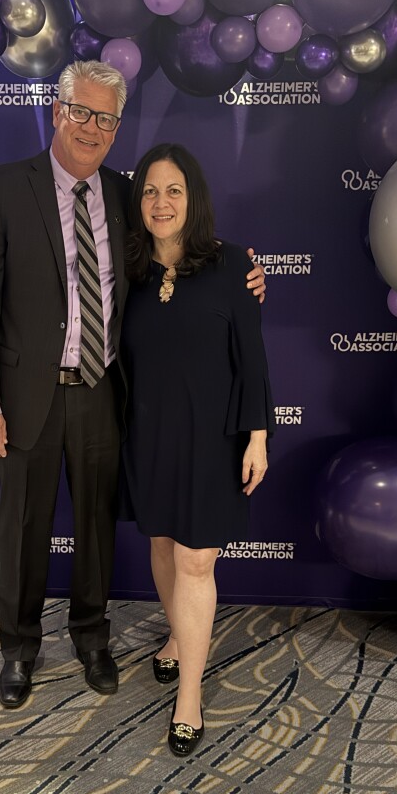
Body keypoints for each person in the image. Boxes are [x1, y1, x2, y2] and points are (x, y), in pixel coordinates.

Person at [0, 62, 265, 711]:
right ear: (57, 110)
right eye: (81, 111)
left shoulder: (127, 193)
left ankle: (92, 639)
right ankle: (19, 648)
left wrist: (242, 270)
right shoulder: (4, 187)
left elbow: (179, 232)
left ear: (117, 127)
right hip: (26, 395)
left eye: (105, 118)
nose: (91, 127)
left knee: (97, 526)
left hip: (104, 390)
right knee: (23, 525)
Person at [120, 143, 274, 757]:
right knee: (162, 544)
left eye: (174, 190)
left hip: (214, 438)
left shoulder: (233, 265)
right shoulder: (127, 272)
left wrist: (258, 436)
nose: (161, 203)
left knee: (195, 562)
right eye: (150, 191)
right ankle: (178, 637)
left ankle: (189, 696)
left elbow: (253, 359)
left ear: (194, 198)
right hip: (148, 435)